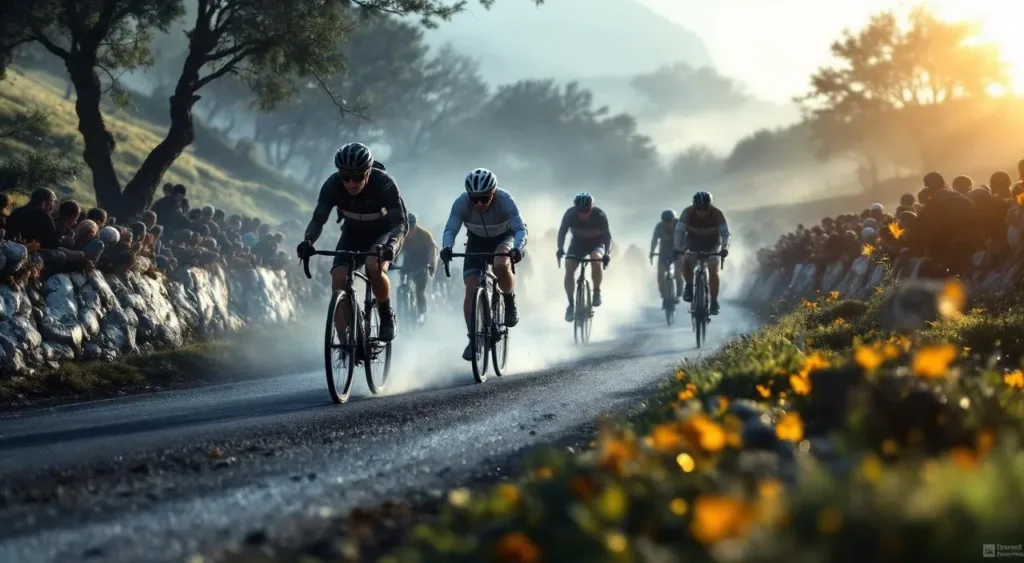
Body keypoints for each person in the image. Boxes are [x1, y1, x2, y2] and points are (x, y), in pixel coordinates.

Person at [297, 142, 409, 342]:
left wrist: (391, 245)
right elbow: (318, 219)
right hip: (353, 232)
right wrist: (308, 241)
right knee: (338, 277)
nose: (351, 183)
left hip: (383, 233)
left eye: (357, 177)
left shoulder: (384, 183)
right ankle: (349, 339)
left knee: (373, 266)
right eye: (345, 177)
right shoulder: (332, 185)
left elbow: (400, 223)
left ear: (368, 171)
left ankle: (385, 314)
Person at [439, 168, 528, 361]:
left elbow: (520, 229)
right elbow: (450, 229)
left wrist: (518, 248)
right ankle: (473, 339)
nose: (479, 203)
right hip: (476, 240)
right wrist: (447, 247)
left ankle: (509, 300)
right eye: (474, 199)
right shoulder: (461, 203)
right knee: (470, 289)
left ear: (493, 193)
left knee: (500, 263)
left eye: (484, 198)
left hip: (504, 237)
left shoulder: (505, 200)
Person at [555, 192, 611, 322]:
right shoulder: (570, 214)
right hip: (578, 244)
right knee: (569, 268)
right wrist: (560, 248)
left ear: (591, 208)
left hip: (597, 243)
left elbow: (608, 237)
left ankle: (596, 291)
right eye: (580, 211)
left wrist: (607, 253)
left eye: (586, 211)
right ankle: (571, 304)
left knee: (595, 258)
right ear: (576, 209)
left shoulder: (600, 215)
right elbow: (562, 231)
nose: (583, 214)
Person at [675, 191, 730, 315]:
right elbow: (679, 232)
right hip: (693, 241)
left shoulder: (717, 214)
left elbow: (725, 234)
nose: (701, 211)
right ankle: (689, 286)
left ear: (709, 206)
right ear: (694, 206)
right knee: (687, 260)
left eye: (705, 208)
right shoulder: (687, 213)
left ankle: (714, 301)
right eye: (698, 208)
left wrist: (724, 247)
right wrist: (678, 247)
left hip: (712, 242)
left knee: (713, 271)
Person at [397, 212, 438, 320]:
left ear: (415, 226)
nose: (409, 231)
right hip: (409, 259)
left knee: (419, 291)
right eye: (407, 228)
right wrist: (391, 263)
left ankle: (421, 312)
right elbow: (397, 251)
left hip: (422, 261)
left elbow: (433, 249)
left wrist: (432, 264)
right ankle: (403, 302)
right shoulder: (402, 234)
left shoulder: (424, 234)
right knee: (403, 280)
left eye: (411, 228)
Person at [650, 208, 683, 305]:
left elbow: (685, 239)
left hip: (677, 250)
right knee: (660, 273)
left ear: (674, 220)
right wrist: (652, 252)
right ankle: (663, 294)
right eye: (665, 221)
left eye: (670, 221)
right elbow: (654, 240)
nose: (667, 224)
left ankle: (679, 292)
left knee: (678, 273)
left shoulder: (679, 226)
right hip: (664, 251)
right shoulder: (659, 227)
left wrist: (683, 252)